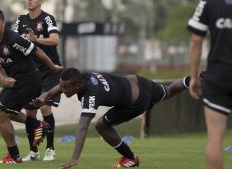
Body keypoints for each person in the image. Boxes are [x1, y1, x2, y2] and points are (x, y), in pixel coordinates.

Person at [32, 67, 192, 168]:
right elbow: (53, 91)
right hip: (139, 82)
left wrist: (74, 158)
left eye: (67, 88)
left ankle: (130, 158)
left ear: (78, 86)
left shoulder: (91, 94)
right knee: (169, 91)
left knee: (101, 125)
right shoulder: (81, 76)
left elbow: (82, 126)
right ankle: (193, 79)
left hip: (135, 103)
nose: (64, 90)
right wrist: (43, 99)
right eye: (63, 86)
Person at [0, 8, 61, 164]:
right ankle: (38, 125)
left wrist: (52, 67)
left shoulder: (14, 39)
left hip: (28, 80)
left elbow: (38, 51)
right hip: (13, 80)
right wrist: (3, 78)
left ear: (3, 23)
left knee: (0, 115)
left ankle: (14, 156)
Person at [14, 0, 61, 161]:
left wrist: (36, 40)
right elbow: (15, 41)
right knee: (30, 113)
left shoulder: (48, 19)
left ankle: (50, 149)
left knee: (45, 107)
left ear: (41, 1)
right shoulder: (21, 19)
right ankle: (34, 152)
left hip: (51, 70)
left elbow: (55, 40)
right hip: (31, 73)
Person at [187, 0, 232, 168]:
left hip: (218, 76)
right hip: (218, 76)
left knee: (215, 137)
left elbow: (196, 40)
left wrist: (193, 76)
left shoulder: (208, 0)